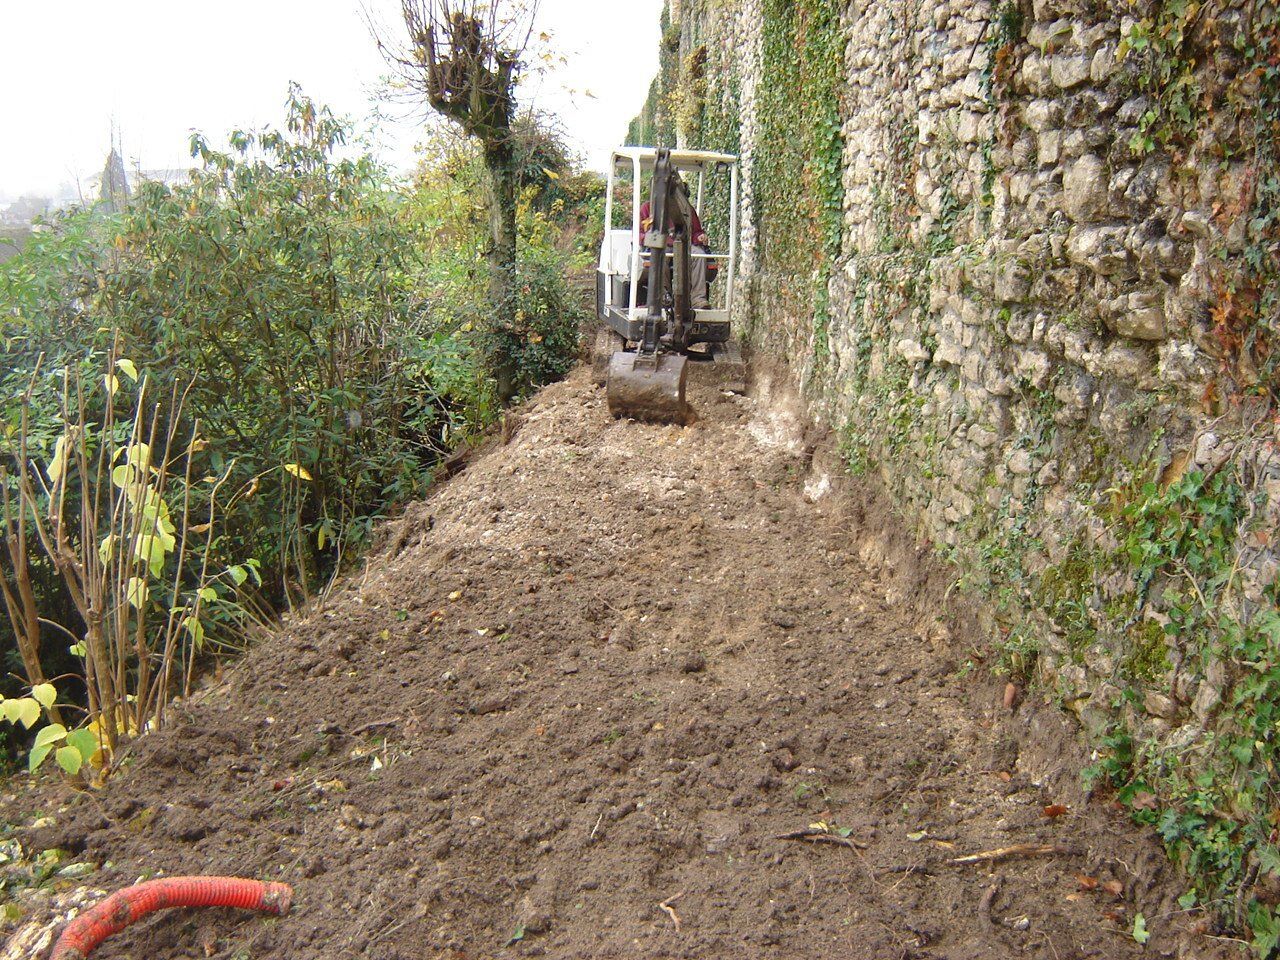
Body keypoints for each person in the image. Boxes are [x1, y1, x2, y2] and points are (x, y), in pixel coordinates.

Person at [638, 185, 711, 309]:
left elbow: (696, 231)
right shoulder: (647, 208)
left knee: (699, 255)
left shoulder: (687, 210)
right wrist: (648, 238)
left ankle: (698, 299)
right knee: (660, 256)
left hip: (684, 246)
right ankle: (662, 296)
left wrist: (700, 237)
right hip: (660, 246)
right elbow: (638, 234)